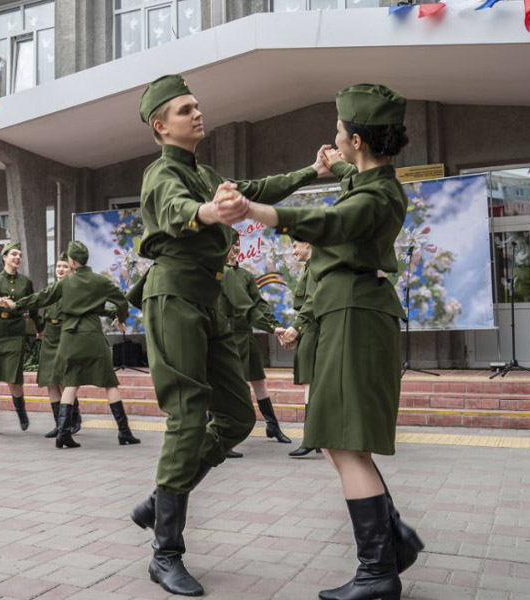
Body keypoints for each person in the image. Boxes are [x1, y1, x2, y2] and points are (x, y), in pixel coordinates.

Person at [127, 74, 332, 597]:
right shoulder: (161, 174)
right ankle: (165, 552)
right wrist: (207, 211)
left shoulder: (206, 172)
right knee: (187, 415)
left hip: (211, 300)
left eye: (197, 106)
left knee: (238, 417)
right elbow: (175, 209)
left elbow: (255, 191)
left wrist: (313, 170)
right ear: (161, 125)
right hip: (172, 295)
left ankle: (162, 498)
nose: (198, 113)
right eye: (185, 109)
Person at [239, 83, 423, 600]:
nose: (335, 136)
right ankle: (394, 540)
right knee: (334, 439)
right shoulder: (372, 179)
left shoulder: (376, 196)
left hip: (353, 315)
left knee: (345, 443)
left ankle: (378, 572)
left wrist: (262, 212)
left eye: (340, 131)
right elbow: (355, 182)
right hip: (347, 311)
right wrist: (337, 164)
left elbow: (334, 220)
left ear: (358, 139)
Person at [9, 241, 138, 449]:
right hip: (92, 335)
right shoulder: (100, 281)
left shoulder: (65, 283)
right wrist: (121, 318)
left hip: (69, 336)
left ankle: (63, 434)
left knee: (70, 384)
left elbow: (41, 298)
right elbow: (121, 302)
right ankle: (124, 432)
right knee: (109, 383)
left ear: (72, 261)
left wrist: (16, 304)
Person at [219, 242, 292, 460]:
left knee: (258, 380)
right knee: (226, 385)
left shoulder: (246, 276)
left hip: (244, 334)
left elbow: (257, 304)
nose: (235, 250)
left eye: (237, 245)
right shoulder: (215, 273)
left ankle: (273, 426)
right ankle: (224, 435)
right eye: (230, 246)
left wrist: (274, 326)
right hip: (223, 336)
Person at [0, 241, 42, 435]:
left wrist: (40, 328)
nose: (17, 257)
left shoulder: (25, 282)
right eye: (13, 254)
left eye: (19, 255)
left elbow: (34, 306)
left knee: (14, 379)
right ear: (4, 257)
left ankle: (21, 413)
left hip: (14, 330)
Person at [280, 239, 322, 458]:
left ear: (308, 244)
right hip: (310, 329)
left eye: (296, 246)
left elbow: (313, 301)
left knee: (309, 383)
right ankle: (315, 438)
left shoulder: (316, 266)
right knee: (312, 383)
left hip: (313, 330)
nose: (293, 251)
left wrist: (296, 328)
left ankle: (310, 438)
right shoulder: (313, 267)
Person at [38, 253, 72, 438]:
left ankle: (72, 419)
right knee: (50, 380)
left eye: (65, 266)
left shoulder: (73, 289)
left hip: (65, 333)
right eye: (58, 266)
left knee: (65, 381)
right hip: (50, 334)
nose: (60, 269)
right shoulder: (50, 289)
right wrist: (40, 328)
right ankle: (59, 424)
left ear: (72, 269)